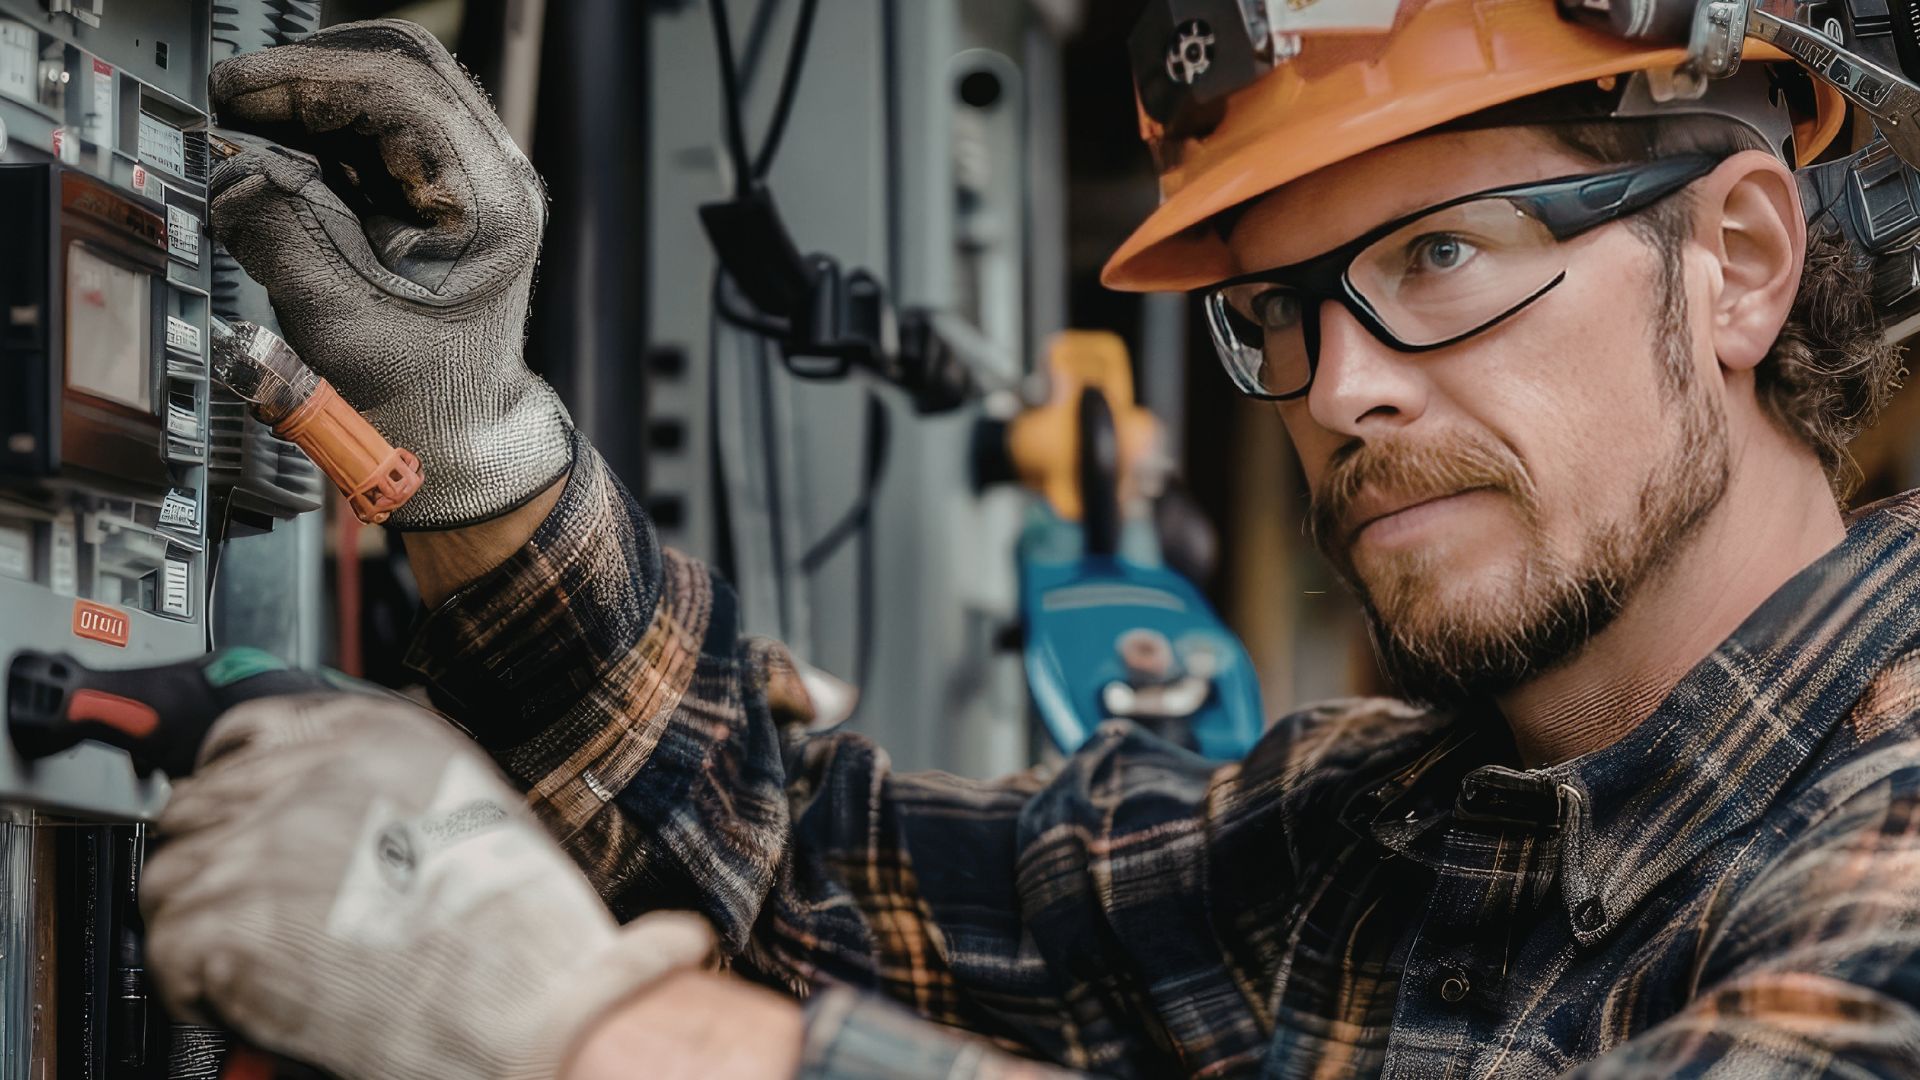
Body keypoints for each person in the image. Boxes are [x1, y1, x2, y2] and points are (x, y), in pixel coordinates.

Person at [141, 6, 1920, 1078]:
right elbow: (799, 879)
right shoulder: (1374, 847)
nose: (1343, 389)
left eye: (1437, 256)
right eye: (1286, 308)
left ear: (1741, 261)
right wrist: (468, 447)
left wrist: (601, 1038)